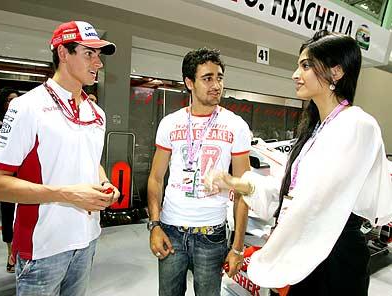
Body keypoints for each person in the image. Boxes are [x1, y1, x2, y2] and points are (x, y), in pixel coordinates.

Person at [207, 30, 392, 295]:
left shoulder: (357, 125)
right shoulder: (316, 130)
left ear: (336, 72)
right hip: (307, 251)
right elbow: (289, 193)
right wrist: (237, 183)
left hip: (333, 260)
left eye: (305, 65)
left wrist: (276, 249)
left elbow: (316, 202)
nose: (296, 74)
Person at [0, 21, 120, 296]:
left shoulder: (97, 113)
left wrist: (105, 183)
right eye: (89, 54)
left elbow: (90, 159)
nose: (99, 63)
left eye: (99, 55)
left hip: (87, 241)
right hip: (43, 248)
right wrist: (67, 194)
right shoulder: (27, 108)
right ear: (62, 53)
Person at [147, 47, 251, 296]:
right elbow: (156, 178)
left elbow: (244, 189)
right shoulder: (170, 123)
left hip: (211, 235)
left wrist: (237, 248)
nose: (216, 85)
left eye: (220, 77)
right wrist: (155, 225)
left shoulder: (236, 126)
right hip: (171, 230)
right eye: (208, 78)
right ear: (189, 83)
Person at [0, 87, 20, 273]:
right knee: (8, 213)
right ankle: (10, 253)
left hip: (23, 174)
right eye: (10, 99)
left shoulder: (25, 122)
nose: (14, 102)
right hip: (4, 175)